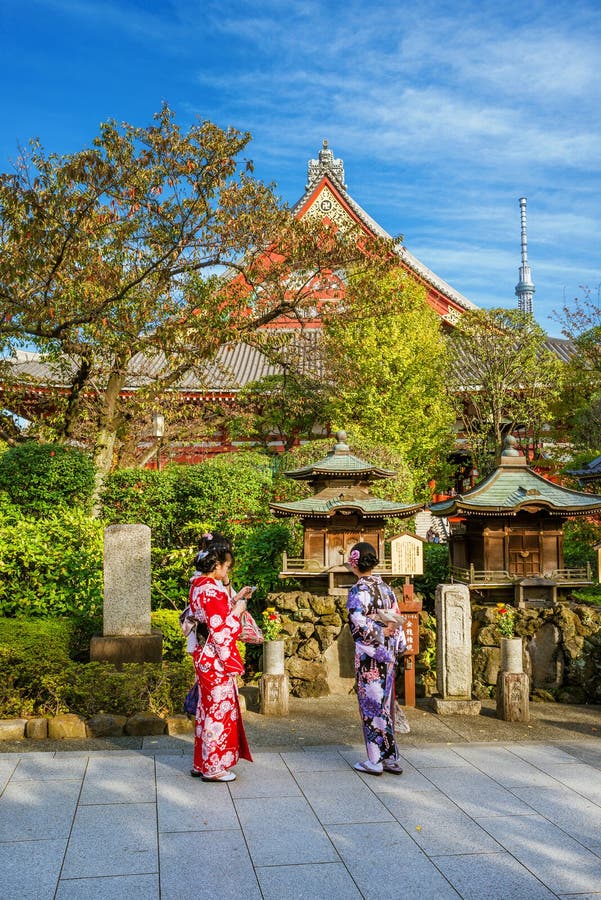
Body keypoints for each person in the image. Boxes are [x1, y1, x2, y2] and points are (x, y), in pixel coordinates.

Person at [188, 535, 254, 782]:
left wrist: (232, 600)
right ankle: (213, 767)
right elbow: (221, 629)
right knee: (217, 712)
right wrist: (237, 611)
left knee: (206, 710)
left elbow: (212, 619)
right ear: (216, 566)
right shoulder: (212, 593)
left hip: (202, 654)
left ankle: (201, 762)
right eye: (226, 566)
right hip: (215, 658)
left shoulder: (198, 585)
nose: (227, 570)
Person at [346, 541, 406, 775]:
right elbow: (397, 618)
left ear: (354, 564)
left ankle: (375, 760)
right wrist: (394, 639)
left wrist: (378, 632)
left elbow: (358, 621)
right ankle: (391, 757)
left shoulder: (358, 591)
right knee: (385, 705)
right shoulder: (387, 589)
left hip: (370, 656)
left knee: (371, 705)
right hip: (388, 654)